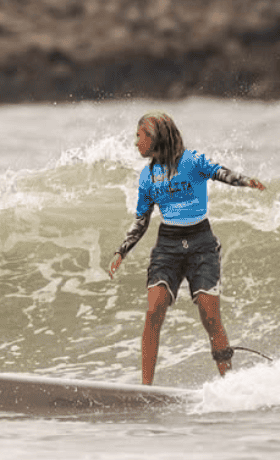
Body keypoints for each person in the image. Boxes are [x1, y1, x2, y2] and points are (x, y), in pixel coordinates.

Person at [108, 112, 266, 384]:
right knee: (154, 310)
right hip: (167, 246)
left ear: (154, 137)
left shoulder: (191, 161)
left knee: (209, 315)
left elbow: (219, 172)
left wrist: (245, 181)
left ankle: (228, 384)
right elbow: (142, 221)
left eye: (139, 136)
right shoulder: (148, 176)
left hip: (201, 243)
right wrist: (121, 251)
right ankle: (145, 388)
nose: (136, 143)